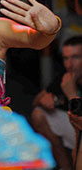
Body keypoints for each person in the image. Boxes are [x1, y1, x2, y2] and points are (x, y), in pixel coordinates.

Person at [31, 36, 82, 170]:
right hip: (75, 128)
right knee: (38, 115)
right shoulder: (66, 75)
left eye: (76, 57)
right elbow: (36, 101)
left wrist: (71, 94)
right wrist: (43, 100)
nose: (69, 64)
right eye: (66, 58)